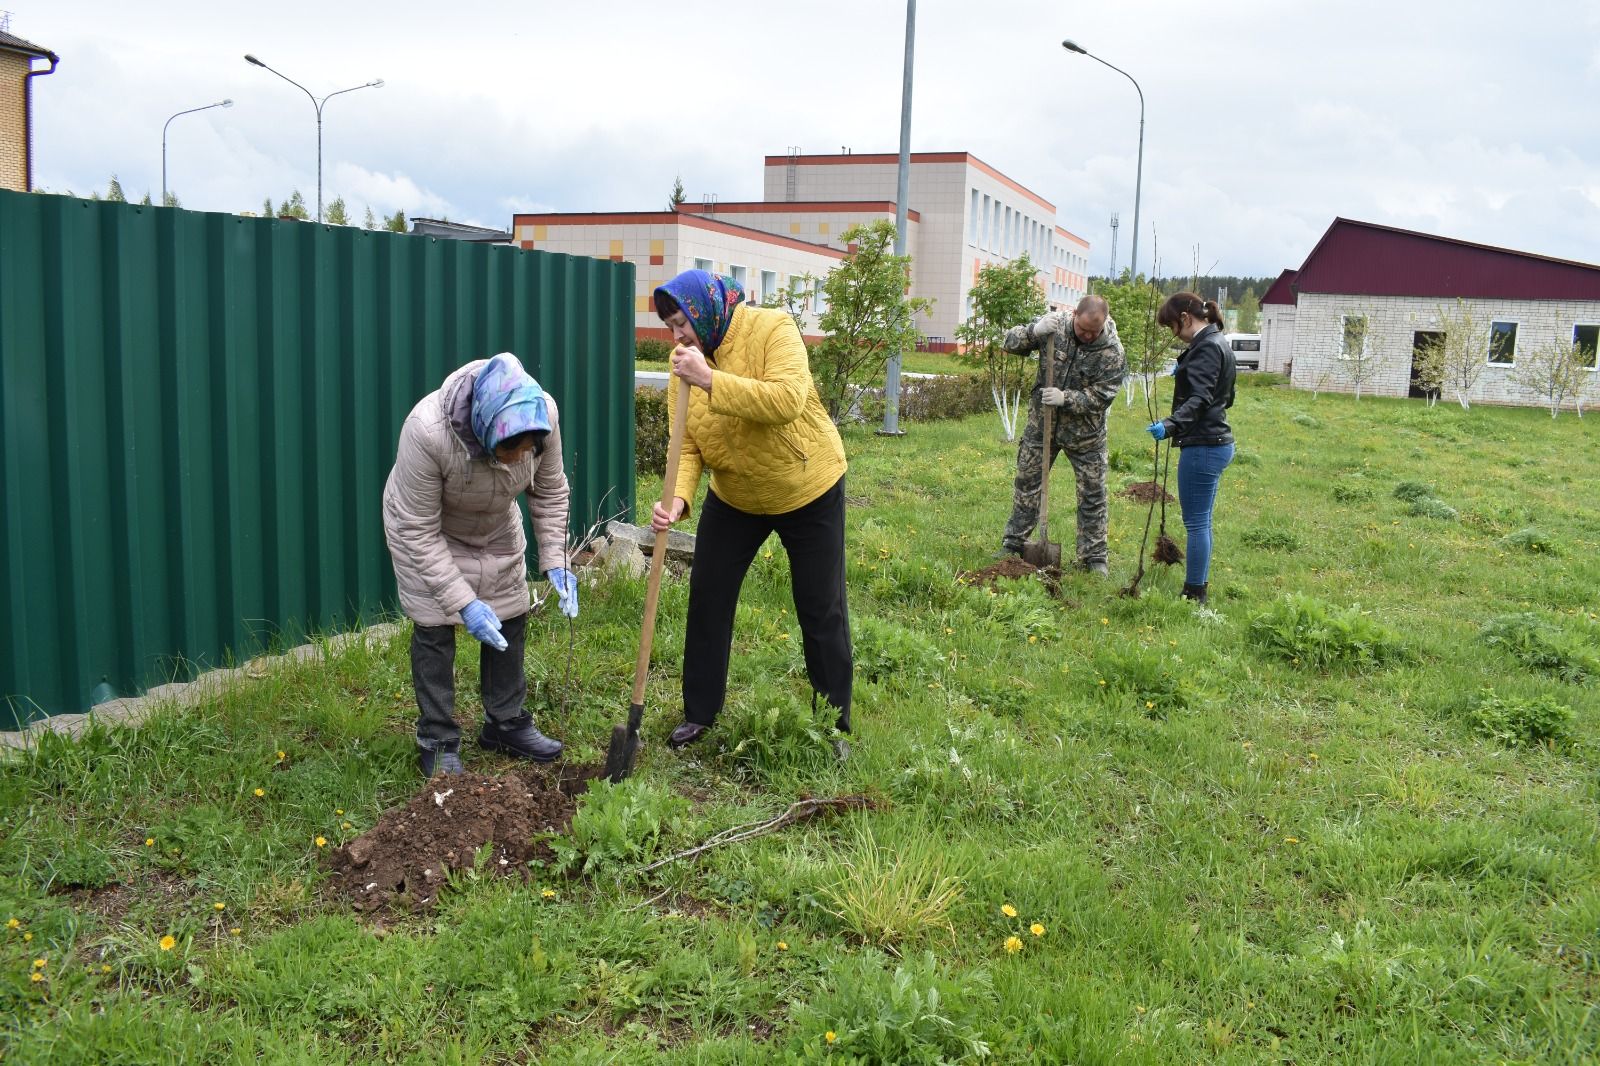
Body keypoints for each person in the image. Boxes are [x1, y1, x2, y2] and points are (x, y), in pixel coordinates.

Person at [648, 269, 852, 754]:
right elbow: (689, 442)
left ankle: (833, 724)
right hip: (736, 495)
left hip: (806, 485)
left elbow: (786, 400)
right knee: (709, 596)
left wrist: (711, 378)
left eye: (682, 323)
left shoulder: (772, 328)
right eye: (670, 328)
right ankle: (700, 713)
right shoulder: (686, 363)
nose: (677, 337)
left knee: (819, 607)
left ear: (704, 310)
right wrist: (677, 497)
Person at [382, 352, 579, 777]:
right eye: (511, 448)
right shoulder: (427, 431)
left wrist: (557, 560)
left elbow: (549, 492)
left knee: (511, 612)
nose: (520, 456)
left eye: (528, 448)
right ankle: (437, 738)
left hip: (493, 522)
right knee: (435, 625)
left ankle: (505, 723)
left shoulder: (543, 416)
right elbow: (418, 530)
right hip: (423, 525)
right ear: (485, 430)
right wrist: (463, 603)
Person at [996, 294, 1127, 573]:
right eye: (1083, 330)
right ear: (1074, 315)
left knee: (1093, 494)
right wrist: (1034, 331)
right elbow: (1009, 343)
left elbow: (1103, 395)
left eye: (1095, 331)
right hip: (1041, 425)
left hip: (1086, 436)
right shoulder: (1055, 328)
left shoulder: (1112, 352)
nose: (1089, 336)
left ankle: (1094, 558)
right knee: (1027, 484)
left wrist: (1066, 398)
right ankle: (1014, 542)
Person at [1148, 292, 1238, 604]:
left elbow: (1201, 399)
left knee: (1196, 523)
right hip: (1215, 441)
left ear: (1186, 319)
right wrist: (1184, 371)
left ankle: (1194, 593)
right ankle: (1196, 587)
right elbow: (1226, 396)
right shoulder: (1218, 342)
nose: (1174, 334)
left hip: (1203, 445)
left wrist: (1170, 424)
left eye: (1173, 327)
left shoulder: (1206, 348)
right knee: (1202, 521)